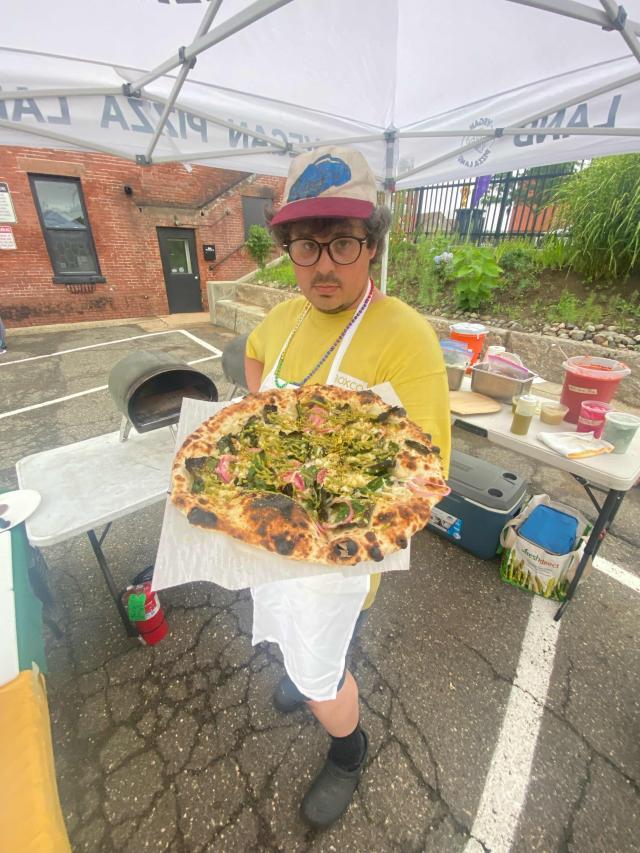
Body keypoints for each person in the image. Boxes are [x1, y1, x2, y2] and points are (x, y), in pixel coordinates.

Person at [244, 145, 450, 828]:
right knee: (283, 629)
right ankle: (303, 676)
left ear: (372, 244)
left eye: (342, 240)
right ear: (288, 249)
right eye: (306, 243)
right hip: (272, 537)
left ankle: (348, 747)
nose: (324, 262)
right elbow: (252, 355)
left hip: (341, 560)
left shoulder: (405, 337)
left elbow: (425, 482)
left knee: (324, 673)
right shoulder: (286, 318)